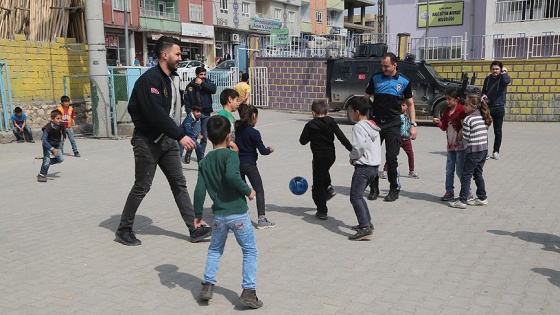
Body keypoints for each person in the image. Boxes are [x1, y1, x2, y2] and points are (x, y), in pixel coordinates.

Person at [115, 36, 212, 246]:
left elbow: (171, 112)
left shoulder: (170, 78)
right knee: (142, 186)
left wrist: (175, 134)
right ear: (165, 55)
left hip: (167, 141)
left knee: (179, 184)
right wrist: (181, 135)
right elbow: (155, 114)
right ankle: (124, 229)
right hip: (148, 142)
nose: (180, 58)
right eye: (177, 54)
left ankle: (193, 228)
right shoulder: (150, 80)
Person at [193, 115, 262, 309]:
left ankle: (207, 285)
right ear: (228, 135)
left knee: (215, 249)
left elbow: (199, 190)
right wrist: (248, 191)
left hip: (219, 216)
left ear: (208, 135)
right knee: (249, 250)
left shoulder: (205, 161)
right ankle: (249, 291)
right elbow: (232, 175)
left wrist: (198, 214)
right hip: (238, 213)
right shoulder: (231, 156)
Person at [365, 52, 417, 202]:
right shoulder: (375, 78)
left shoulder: (404, 81)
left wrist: (413, 125)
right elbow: (365, 99)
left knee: (391, 158)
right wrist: (364, 120)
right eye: (382, 65)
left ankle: (394, 188)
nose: (384, 68)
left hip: (393, 123)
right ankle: (373, 188)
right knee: (372, 158)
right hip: (375, 123)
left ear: (395, 65)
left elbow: (411, 104)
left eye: (386, 66)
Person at [299, 99, 353, 220]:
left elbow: (302, 141)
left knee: (317, 184)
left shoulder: (310, 125)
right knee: (324, 171)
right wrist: (352, 151)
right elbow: (342, 137)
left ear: (313, 113)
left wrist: (309, 133)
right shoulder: (331, 122)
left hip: (318, 157)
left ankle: (322, 210)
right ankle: (328, 187)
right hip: (331, 156)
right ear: (327, 112)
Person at [234, 105, 275, 229]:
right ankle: (262, 219)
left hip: (238, 163)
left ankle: (240, 216)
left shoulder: (237, 129)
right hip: (250, 165)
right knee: (259, 190)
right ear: (253, 116)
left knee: (240, 190)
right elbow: (262, 151)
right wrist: (269, 150)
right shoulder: (254, 132)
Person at [449, 94, 492, 209]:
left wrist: (459, 142)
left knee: (466, 175)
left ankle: (462, 200)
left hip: (474, 151)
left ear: (473, 107)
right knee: (478, 174)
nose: (464, 107)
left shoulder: (469, 119)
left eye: (466, 105)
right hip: (484, 150)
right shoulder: (483, 117)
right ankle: (482, 198)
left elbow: (466, 138)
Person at [347, 97, 381, 241]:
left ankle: (365, 227)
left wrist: (353, 157)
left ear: (356, 112)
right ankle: (367, 222)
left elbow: (359, 146)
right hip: (374, 167)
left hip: (363, 167)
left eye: (351, 111)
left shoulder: (359, 127)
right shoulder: (372, 126)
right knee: (359, 195)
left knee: (355, 196)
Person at [433, 89, 468, 201]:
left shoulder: (462, 110)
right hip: (450, 145)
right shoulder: (447, 111)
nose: (447, 101)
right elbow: (444, 127)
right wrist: (439, 123)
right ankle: (449, 191)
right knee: (449, 170)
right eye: (446, 99)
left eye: (449, 99)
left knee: (459, 170)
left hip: (460, 145)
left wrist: (461, 132)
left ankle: (467, 191)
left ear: (457, 99)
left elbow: (466, 125)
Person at [378, 100, 418, 181]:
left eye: (403, 105)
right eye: (400, 105)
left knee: (410, 154)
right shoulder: (396, 116)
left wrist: (412, 131)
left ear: (407, 107)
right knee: (392, 155)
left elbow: (412, 125)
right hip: (397, 138)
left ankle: (411, 171)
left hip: (406, 139)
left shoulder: (409, 116)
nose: (401, 107)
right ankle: (385, 170)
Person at [184, 66, 217, 158]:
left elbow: (213, 90)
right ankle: (189, 153)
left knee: (204, 137)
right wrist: (189, 113)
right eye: (201, 75)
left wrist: (202, 83)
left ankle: (201, 155)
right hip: (195, 114)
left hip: (206, 113)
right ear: (196, 75)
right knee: (193, 135)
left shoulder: (207, 82)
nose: (203, 76)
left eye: (204, 74)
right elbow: (186, 100)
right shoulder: (190, 86)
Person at [481, 60, 511, 160]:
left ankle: (496, 151)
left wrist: (504, 73)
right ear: (490, 69)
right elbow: (483, 91)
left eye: (497, 69)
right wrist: (483, 96)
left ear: (501, 70)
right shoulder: (488, 79)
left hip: (499, 108)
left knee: (497, 131)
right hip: (488, 108)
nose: (495, 71)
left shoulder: (503, 78)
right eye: (493, 69)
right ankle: (484, 152)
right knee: (483, 130)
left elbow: (507, 81)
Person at [37, 110, 65, 182]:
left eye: (60, 118)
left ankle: (46, 162)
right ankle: (41, 175)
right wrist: (52, 149)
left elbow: (63, 132)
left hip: (57, 145)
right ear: (52, 119)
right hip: (48, 145)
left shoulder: (61, 125)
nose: (60, 120)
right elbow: (44, 140)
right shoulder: (47, 128)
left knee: (60, 159)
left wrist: (62, 142)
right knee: (47, 160)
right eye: (57, 119)